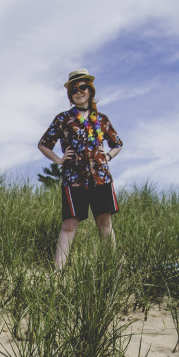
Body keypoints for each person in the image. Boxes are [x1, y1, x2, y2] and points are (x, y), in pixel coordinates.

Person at [38, 69, 123, 269]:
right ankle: (58, 273)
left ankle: (111, 268)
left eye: (83, 87)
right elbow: (43, 143)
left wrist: (108, 156)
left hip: (100, 177)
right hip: (73, 178)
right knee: (69, 225)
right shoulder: (62, 119)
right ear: (70, 95)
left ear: (90, 90)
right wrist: (59, 160)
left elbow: (117, 143)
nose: (79, 91)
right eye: (74, 89)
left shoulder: (101, 119)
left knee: (104, 223)